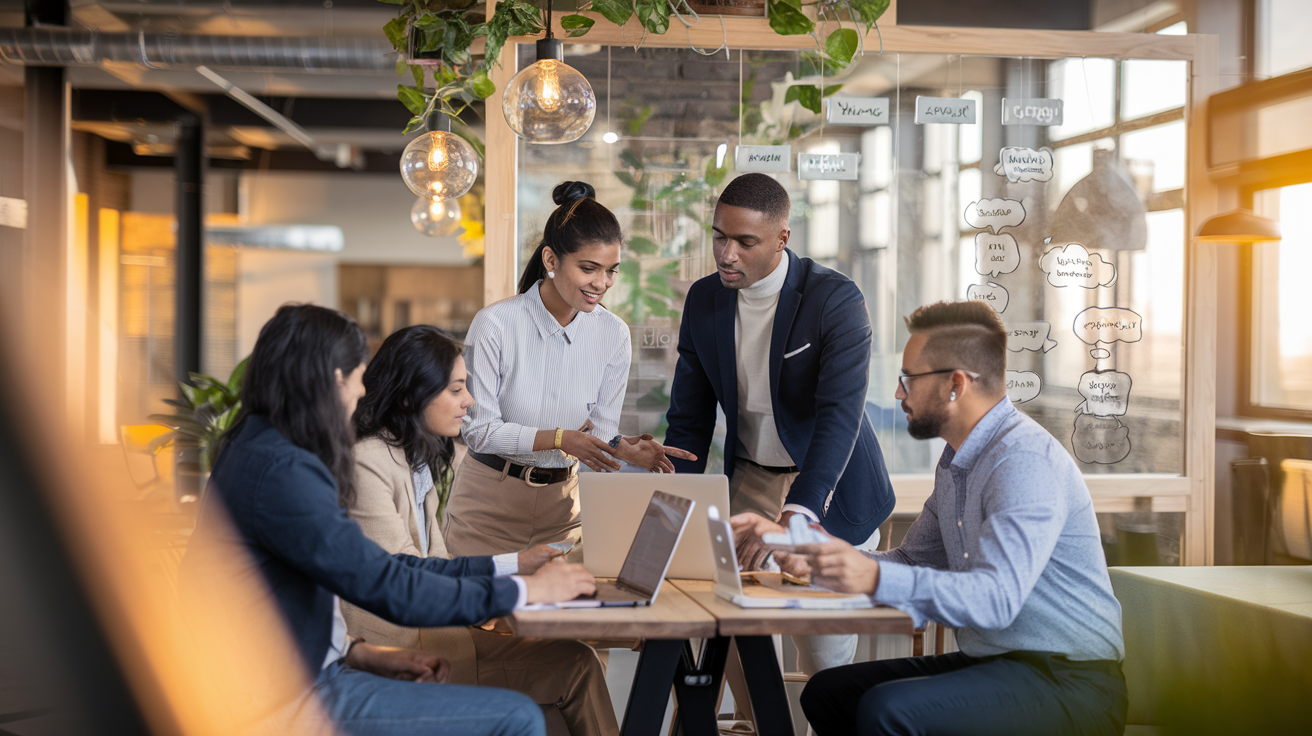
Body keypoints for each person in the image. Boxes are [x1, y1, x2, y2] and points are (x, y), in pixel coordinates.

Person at [180, 304, 597, 736]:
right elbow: (388, 584)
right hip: (279, 698)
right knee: (519, 717)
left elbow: (305, 593)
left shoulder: (257, 448)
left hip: (294, 675)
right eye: (358, 376)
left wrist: (359, 653)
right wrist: (523, 590)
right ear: (332, 380)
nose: (362, 392)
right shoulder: (285, 471)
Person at [786, 300, 1127, 736]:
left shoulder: (1021, 460)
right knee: (828, 692)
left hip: (1071, 681)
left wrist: (868, 577)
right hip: (995, 663)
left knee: (887, 709)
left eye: (908, 379)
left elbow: (997, 600)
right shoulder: (956, 460)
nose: (897, 394)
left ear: (956, 384)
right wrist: (817, 559)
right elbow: (914, 561)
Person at [662, 172, 895, 674]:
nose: (727, 254)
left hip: (827, 485)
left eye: (745, 242)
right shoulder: (705, 300)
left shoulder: (834, 299)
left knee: (822, 654)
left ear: (781, 239)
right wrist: (665, 505)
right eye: (720, 237)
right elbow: (690, 416)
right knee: (736, 640)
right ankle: (753, 724)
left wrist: (801, 513)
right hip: (749, 478)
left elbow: (840, 414)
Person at [348, 324, 618, 736]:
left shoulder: (413, 456)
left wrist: (518, 564)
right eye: (455, 390)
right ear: (409, 395)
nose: (469, 402)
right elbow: (405, 579)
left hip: (436, 637)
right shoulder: (369, 462)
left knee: (573, 662)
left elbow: (434, 565)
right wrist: (513, 592)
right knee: (576, 666)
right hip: (407, 652)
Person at [445, 180, 695, 557]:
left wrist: (622, 448)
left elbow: (600, 430)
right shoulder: (495, 324)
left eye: (611, 271)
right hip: (486, 509)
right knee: (472, 616)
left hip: (563, 511)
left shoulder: (613, 335)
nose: (602, 283)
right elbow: (479, 432)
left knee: (557, 616)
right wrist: (561, 438)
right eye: (589, 268)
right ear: (551, 261)